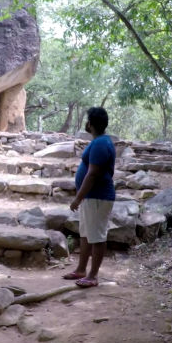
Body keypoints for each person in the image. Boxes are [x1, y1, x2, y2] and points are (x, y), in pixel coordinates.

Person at [63, 107, 116, 288]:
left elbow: (92, 174)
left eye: (88, 121)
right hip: (91, 198)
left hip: (98, 197)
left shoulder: (101, 144)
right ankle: (81, 270)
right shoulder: (100, 142)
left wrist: (78, 198)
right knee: (86, 235)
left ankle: (93, 276)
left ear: (91, 124)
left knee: (97, 237)